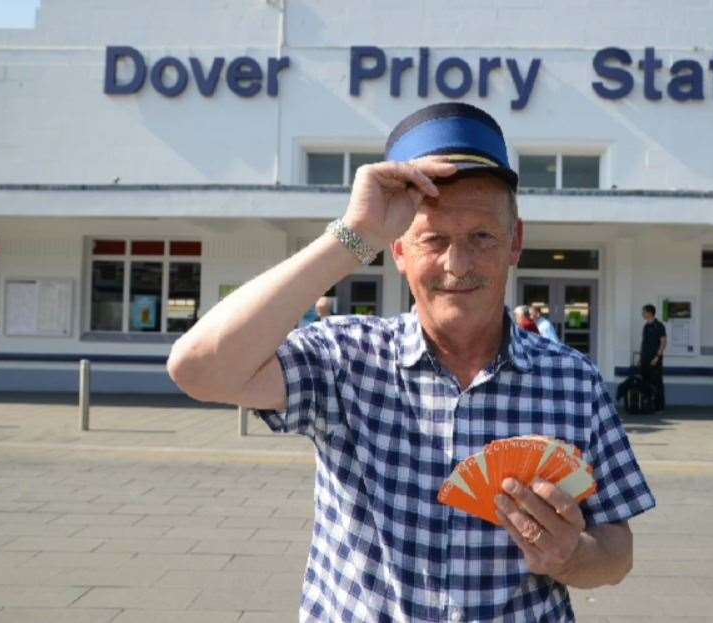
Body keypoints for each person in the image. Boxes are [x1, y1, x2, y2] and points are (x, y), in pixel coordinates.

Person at [167, 103, 655, 622]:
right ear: (398, 250)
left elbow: (616, 552)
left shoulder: (573, 381)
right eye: (434, 239)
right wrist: (352, 237)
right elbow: (199, 369)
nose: (457, 264)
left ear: (515, 243)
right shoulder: (347, 358)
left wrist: (573, 555)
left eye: (481, 238)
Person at [639, 304, 667, 413]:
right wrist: (641, 357)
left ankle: (659, 407)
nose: (642, 313)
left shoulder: (659, 325)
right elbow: (644, 343)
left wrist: (657, 357)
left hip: (655, 359)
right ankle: (647, 406)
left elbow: (663, 342)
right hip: (645, 359)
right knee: (645, 382)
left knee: (657, 382)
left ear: (650, 313)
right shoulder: (646, 326)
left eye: (644, 311)